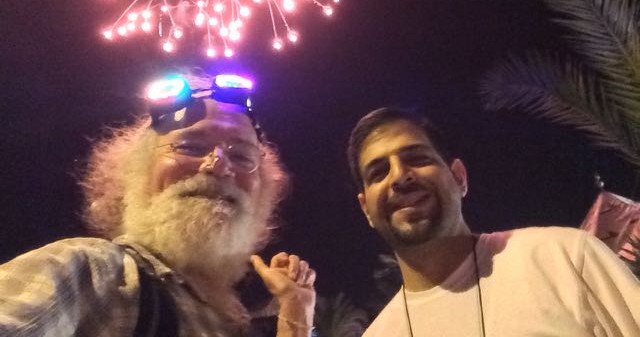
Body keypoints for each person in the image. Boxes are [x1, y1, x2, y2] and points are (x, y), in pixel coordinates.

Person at [0, 71, 316, 337]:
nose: (218, 165)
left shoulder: (236, 321)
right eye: (190, 147)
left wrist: (297, 311)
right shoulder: (94, 273)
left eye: (242, 156)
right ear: (136, 171)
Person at [347, 107, 640, 337]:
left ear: (459, 177)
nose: (399, 176)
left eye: (417, 158)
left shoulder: (564, 258)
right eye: (378, 172)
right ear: (366, 209)